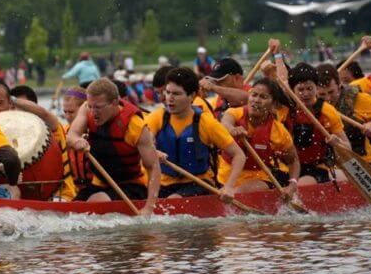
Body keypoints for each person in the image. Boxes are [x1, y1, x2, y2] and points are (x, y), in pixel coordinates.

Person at [144, 68, 246, 199]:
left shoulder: (206, 122)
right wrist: (152, 151)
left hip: (199, 184)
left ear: (192, 96)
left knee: (173, 200)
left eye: (176, 94)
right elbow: (146, 143)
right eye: (168, 92)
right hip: (164, 184)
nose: (169, 98)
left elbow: (239, 155)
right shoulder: (157, 117)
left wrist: (229, 186)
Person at [67, 78, 161, 215]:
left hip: (131, 185)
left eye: (98, 107)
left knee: (95, 202)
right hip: (99, 184)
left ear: (115, 102)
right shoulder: (87, 108)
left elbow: (153, 167)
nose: (93, 112)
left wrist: (149, 208)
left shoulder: (135, 125)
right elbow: (71, 136)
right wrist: (77, 141)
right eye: (90, 106)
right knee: (71, 210)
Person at [0, 82, 77, 201]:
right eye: (13, 108)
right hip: (11, 194)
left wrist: (10, 98)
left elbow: (44, 113)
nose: (16, 113)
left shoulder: (50, 127)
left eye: (23, 108)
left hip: (60, 193)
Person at [220, 78, 301, 197]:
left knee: (241, 193)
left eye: (263, 97)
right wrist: (233, 129)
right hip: (226, 175)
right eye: (254, 95)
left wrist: (293, 184)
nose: (256, 100)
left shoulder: (278, 131)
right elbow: (225, 122)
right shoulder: (234, 113)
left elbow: (293, 161)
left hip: (259, 177)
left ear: (273, 104)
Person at [316, 63, 371, 170]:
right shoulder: (309, 104)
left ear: (339, 85)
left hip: (360, 165)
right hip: (325, 167)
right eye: (322, 95)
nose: (328, 98)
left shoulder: (360, 99)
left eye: (331, 92)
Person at [283, 63, 350, 184]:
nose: (306, 93)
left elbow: (347, 147)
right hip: (289, 166)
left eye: (310, 88)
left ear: (316, 88)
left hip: (318, 166)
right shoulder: (285, 109)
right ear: (292, 90)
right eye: (301, 89)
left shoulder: (327, 111)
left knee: (304, 184)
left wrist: (337, 143)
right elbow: (281, 80)